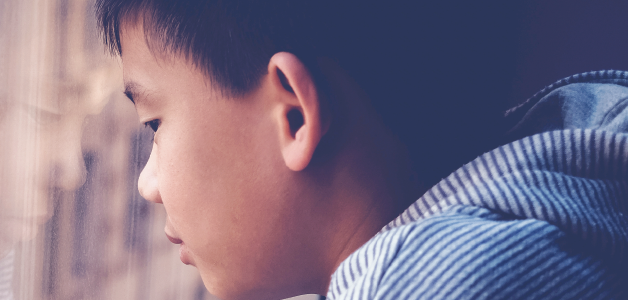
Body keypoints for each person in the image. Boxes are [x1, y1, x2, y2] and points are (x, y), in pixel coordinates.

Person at [96, 0, 628, 299]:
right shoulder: (559, 201)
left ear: (295, 115)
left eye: (155, 123)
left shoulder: (426, 287)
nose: (148, 185)